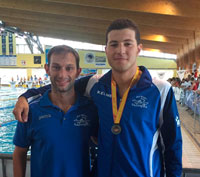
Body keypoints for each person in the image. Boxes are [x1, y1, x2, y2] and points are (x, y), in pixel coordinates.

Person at [13, 19, 182, 177]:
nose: (120, 50)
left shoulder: (160, 90)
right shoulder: (94, 84)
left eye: (127, 44)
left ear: (139, 48)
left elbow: (172, 146)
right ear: (106, 49)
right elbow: (61, 84)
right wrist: (25, 96)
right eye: (114, 44)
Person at [13, 45, 98, 177]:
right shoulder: (32, 111)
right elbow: (20, 152)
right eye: (56, 67)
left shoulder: (90, 110)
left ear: (78, 71)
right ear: (47, 69)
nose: (62, 74)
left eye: (69, 68)